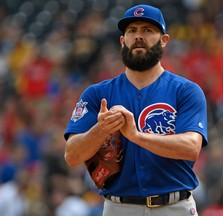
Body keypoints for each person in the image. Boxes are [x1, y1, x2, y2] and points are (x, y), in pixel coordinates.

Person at [64, 4, 208, 216]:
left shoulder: (186, 90)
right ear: (123, 41)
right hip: (118, 207)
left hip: (174, 206)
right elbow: (72, 155)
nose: (138, 36)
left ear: (164, 40)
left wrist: (136, 136)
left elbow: (191, 147)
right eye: (131, 31)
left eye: (147, 30)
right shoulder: (97, 93)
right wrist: (101, 129)